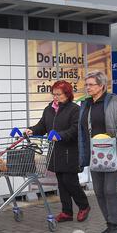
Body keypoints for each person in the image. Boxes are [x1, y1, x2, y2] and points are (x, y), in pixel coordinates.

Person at [78, 71, 117, 233]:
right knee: (99, 191)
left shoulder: (116, 101)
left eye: (91, 84)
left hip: (116, 154)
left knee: (110, 190)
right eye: (86, 84)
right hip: (96, 155)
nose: (87, 87)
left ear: (102, 86)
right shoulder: (86, 104)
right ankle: (109, 225)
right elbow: (82, 130)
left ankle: (115, 228)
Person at [26, 80, 91, 223]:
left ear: (67, 94)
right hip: (55, 152)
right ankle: (67, 212)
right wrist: (32, 130)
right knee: (61, 182)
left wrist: (60, 135)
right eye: (53, 94)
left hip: (69, 152)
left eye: (58, 94)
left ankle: (84, 205)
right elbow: (42, 126)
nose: (55, 97)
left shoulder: (74, 110)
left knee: (70, 181)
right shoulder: (49, 109)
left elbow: (75, 130)